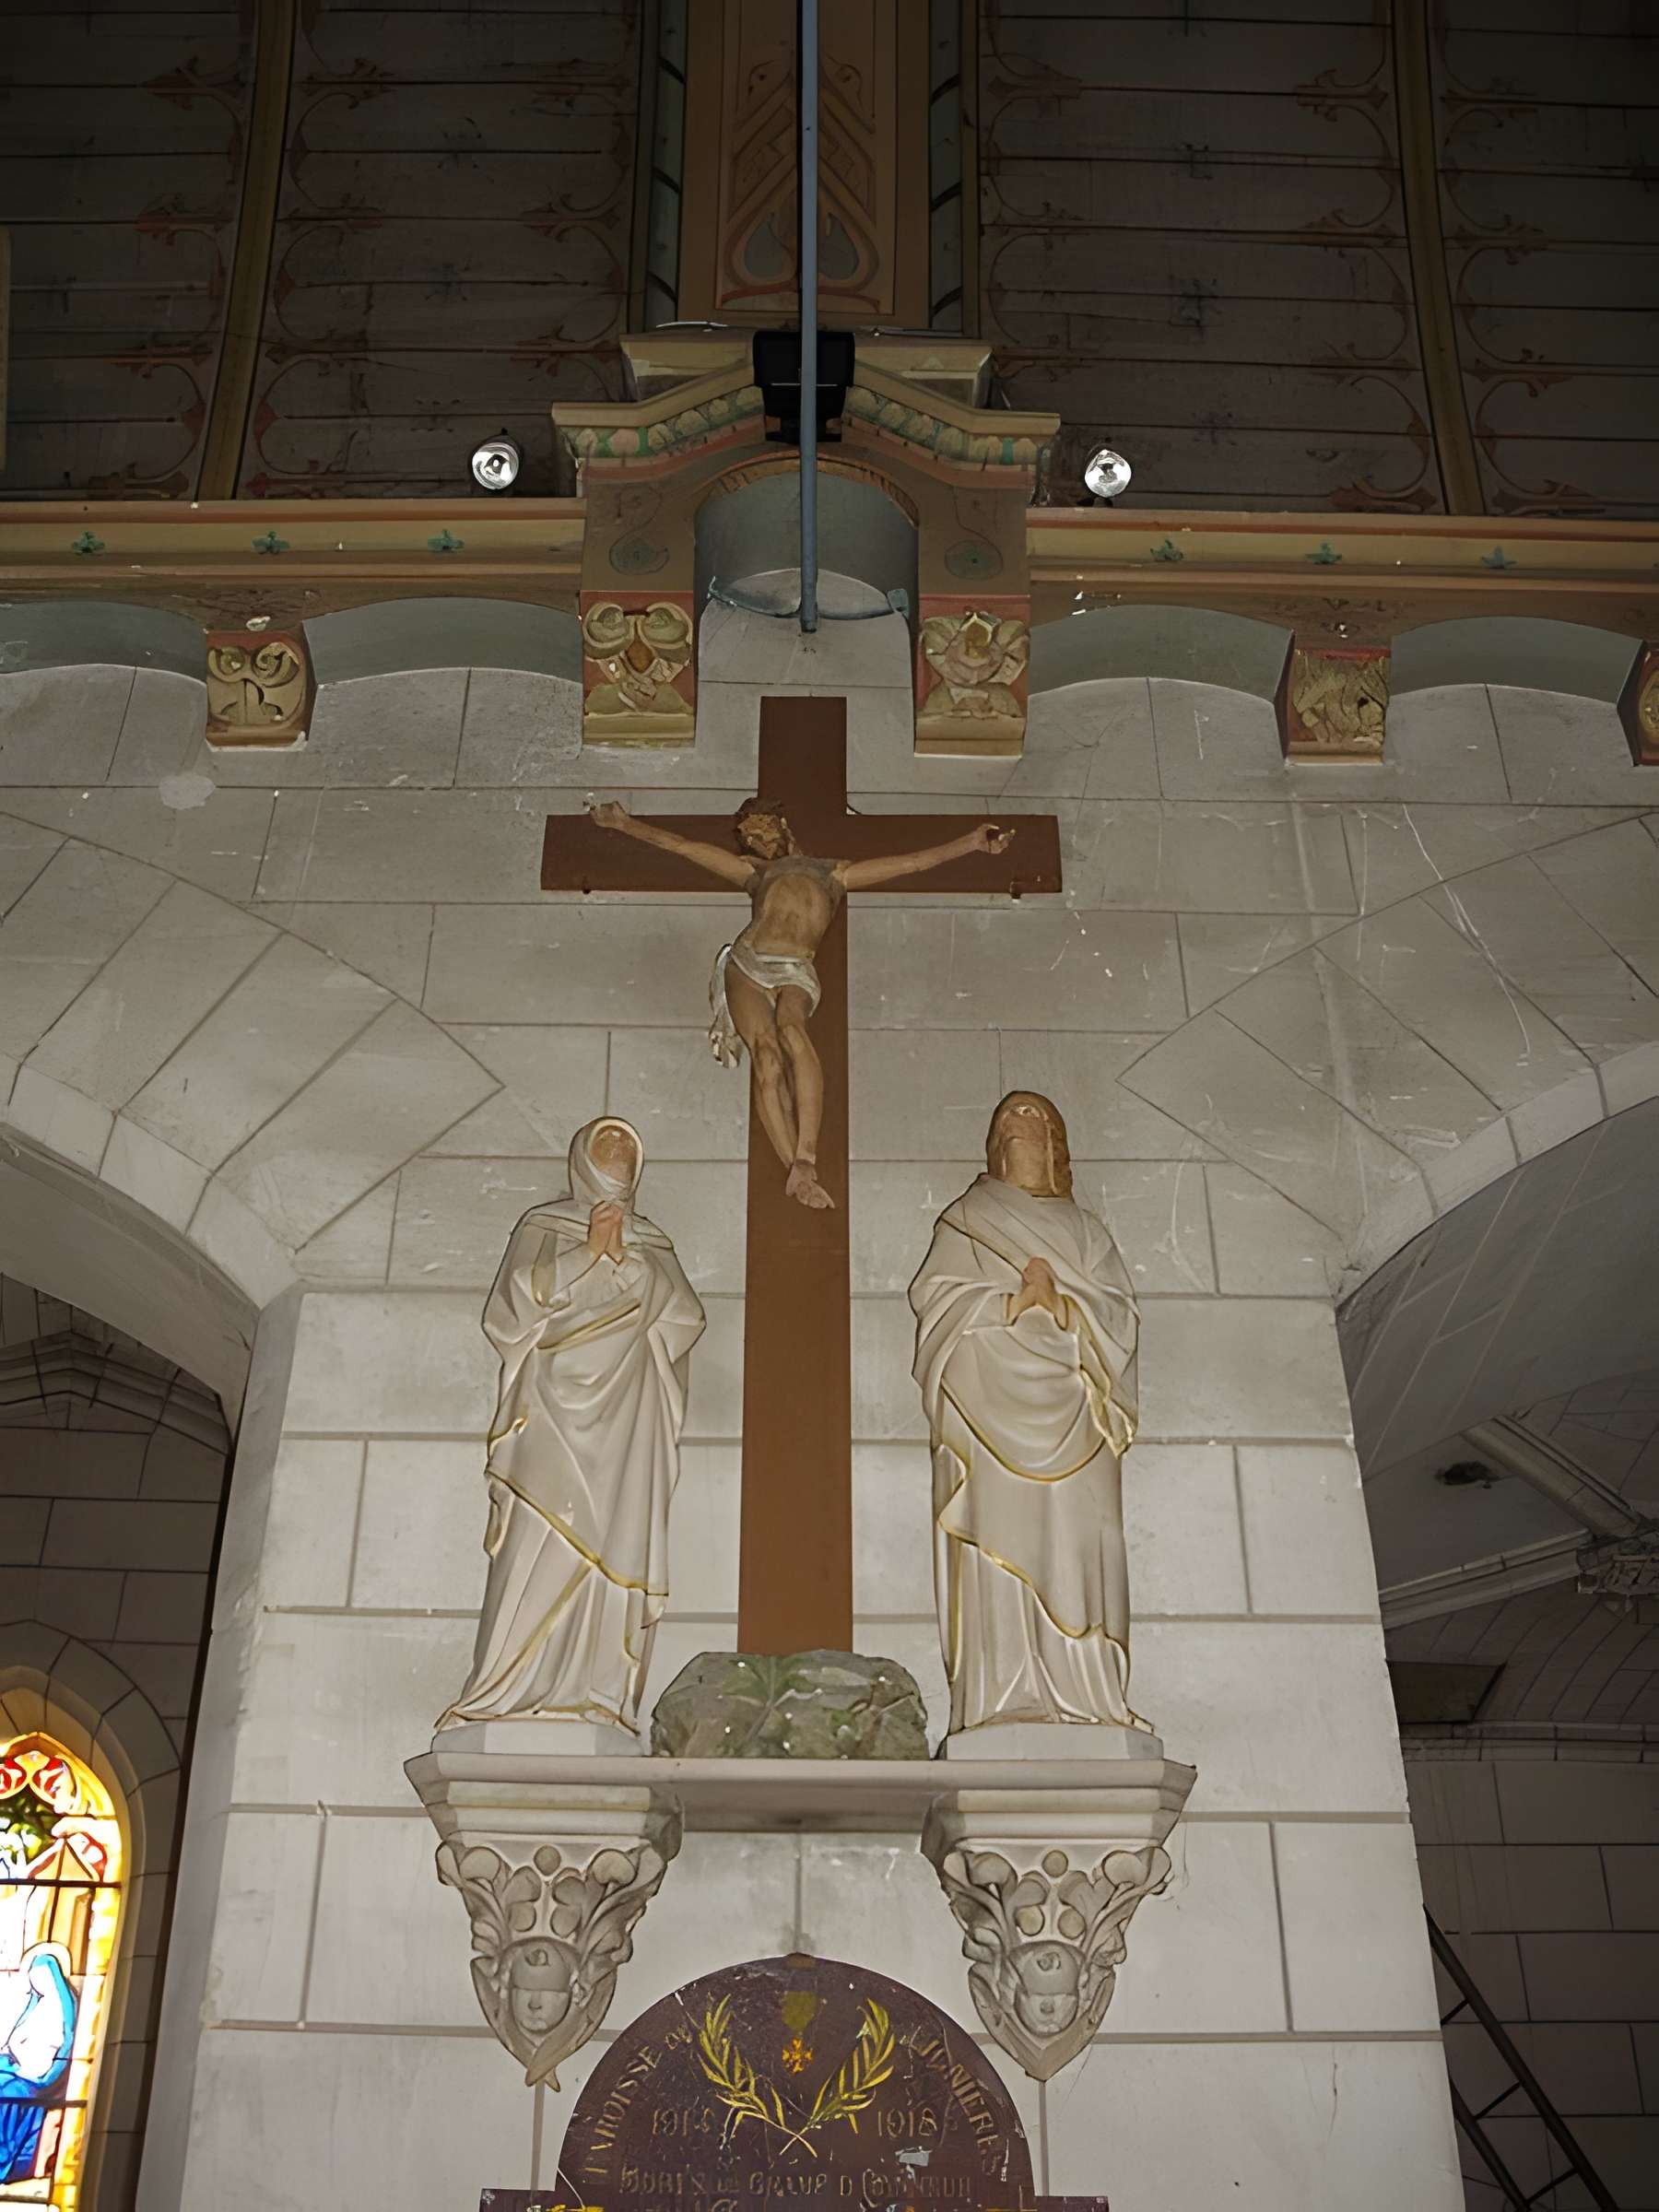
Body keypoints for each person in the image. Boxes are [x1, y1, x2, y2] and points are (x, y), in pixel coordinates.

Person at [590, 796, 1012, 1211]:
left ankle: (806, 1155)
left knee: (792, 1031)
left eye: (764, 830)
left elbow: (911, 863)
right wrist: (625, 825)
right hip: (748, 965)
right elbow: (683, 848)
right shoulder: (755, 874)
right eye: (749, 837)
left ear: (785, 829)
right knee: (767, 1058)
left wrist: (970, 843)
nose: (758, 840)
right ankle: (795, 1168)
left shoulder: (833, 873)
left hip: (795, 968)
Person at [438, 1118, 705, 1737]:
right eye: (606, 1149)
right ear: (581, 1160)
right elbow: (508, 1311)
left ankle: (595, 1693)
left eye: (627, 1152)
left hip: (627, 1422)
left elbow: (684, 1319)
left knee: (610, 1547)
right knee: (540, 1537)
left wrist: (631, 1266)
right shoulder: (545, 1225)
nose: (617, 1161)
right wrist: (586, 1255)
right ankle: (504, 1686)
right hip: (553, 1410)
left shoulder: (653, 1243)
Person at [909, 1092, 1153, 1739]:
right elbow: (939, 1304)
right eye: (1011, 1116)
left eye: (1038, 1118)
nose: (1024, 1123)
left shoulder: (1088, 1231)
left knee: (1079, 1543)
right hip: (986, 1405)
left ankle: (1088, 1695)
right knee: (998, 1542)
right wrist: (1011, 1307)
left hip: (1077, 1408)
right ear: (995, 1141)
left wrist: (1065, 1307)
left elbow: (1120, 1318)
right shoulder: (966, 1220)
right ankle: (1003, 1694)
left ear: (1056, 1146)